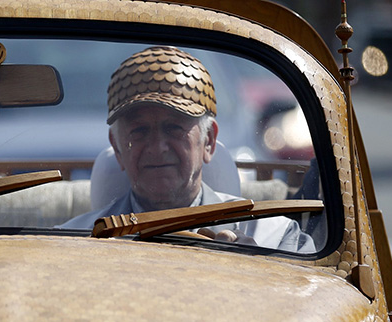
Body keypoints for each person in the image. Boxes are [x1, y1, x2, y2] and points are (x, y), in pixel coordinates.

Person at [59, 46, 314, 253]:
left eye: (174, 128)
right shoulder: (71, 244)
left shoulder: (275, 238)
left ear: (209, 141)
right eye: (139, 131)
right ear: (117, 148)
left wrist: (261, 271)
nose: (157, 147)